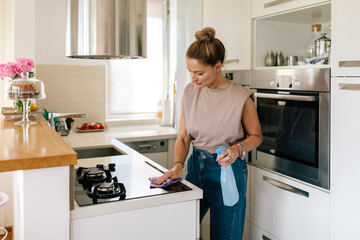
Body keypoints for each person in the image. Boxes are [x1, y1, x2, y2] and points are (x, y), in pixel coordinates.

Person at [154, 27, 263, 240]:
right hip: (196, 169)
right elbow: (184, 138)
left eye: (199, 73)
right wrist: (177, 165)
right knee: (180, 231)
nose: (193, 78)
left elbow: (256, 136)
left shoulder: (240, 97)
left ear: (218, 66)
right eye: (190, 71)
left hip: (227, 173)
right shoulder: (190, 91)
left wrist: (237, 149)